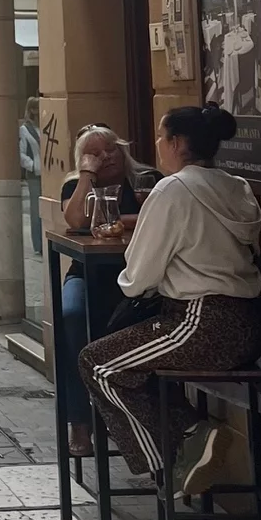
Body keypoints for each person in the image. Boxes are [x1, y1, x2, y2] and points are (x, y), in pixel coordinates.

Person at [79, 104, 261, 490]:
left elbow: (137, 279)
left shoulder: (173, 189)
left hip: (200, 323)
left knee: (98, 364)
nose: (158, 145)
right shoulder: (237, 186)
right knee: (126, 361)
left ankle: (176, 459)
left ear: (177, 143)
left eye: (162, 138)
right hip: (250, 326)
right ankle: (191, 441)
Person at [59, 124, 158, 458]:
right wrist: (87, 175)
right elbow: (75, 221)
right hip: (87, 274)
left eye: (111, 148)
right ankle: (79, 423)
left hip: (138, 277)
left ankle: (138, 420)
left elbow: (157, 217)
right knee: (71, 319)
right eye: (95, 153)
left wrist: (116, 220)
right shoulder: (76, 184)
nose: (106, 157)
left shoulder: (147, 180)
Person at [20, 97, 43, 257]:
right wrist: (33, 165)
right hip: (35, 175)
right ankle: (38, 244)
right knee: (36, 210)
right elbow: (20, 153)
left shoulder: (45, 126)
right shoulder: (25, 129)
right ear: (33, 110)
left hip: (48, 173)